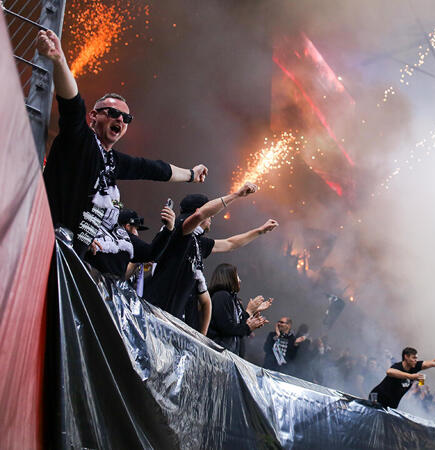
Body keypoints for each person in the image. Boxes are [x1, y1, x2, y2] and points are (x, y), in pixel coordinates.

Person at [35, 30, 207, 259]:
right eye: (114, 113)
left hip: (68, 257)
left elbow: (154, 169)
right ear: (93, 116)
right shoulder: (80, 140)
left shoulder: (113, 161)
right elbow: (73, 105)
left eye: (126, 118)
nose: (120, 120)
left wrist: (191, 175)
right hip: (41, 240)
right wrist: (59, 60)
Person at [143, 186, 278, 332]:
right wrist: (236, 195)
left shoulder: (197, 241)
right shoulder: (179, 230)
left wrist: (260, 231)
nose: (212, 217)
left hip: (171, 318)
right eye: (211, 213)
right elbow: (200, 215)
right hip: (155, 312)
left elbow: (230, 244)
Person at [206, 263, 270, 356]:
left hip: (230, 354)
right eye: (237, 275)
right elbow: (227, 328)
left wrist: (252, 317)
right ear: (228, 277)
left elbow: (239, 326)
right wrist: (248, 323)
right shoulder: (221, 296)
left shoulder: (233, 298)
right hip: (217, 354)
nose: (240, 280)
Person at [369, 347, 435, 409]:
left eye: (416, 358)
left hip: (391, 404)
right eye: (414, 358)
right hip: (378, 398)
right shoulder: (398, 366)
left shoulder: (416, 366)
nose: (416, 360)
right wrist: (411, 376)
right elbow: (389, 372)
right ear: (406, 357)